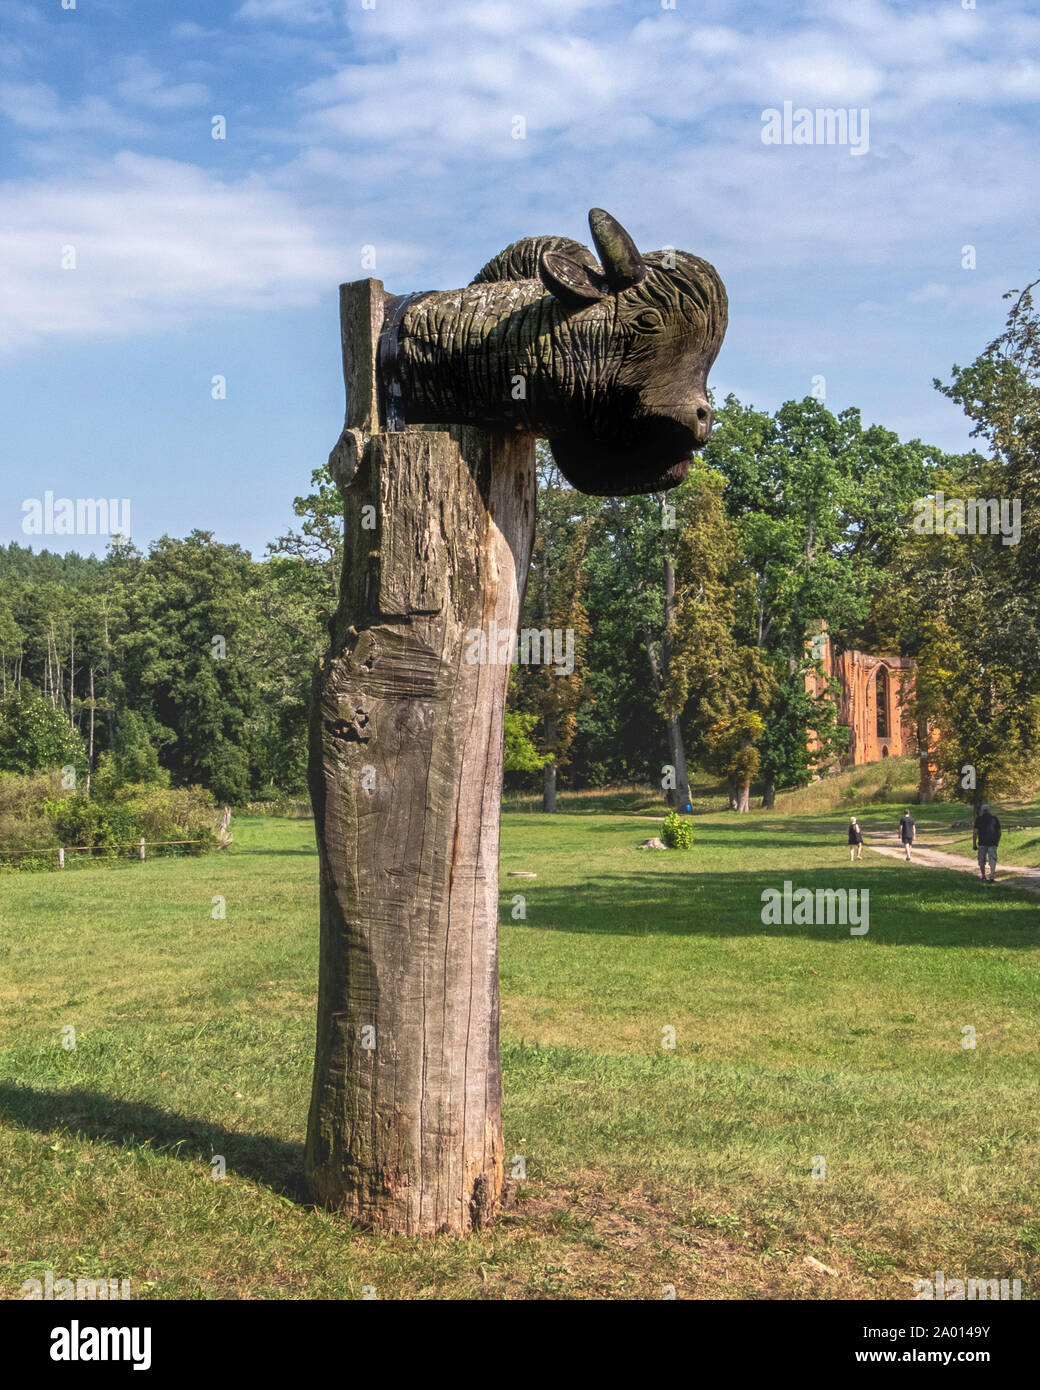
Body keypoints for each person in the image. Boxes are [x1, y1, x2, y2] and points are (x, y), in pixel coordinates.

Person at [972, 802, 1001, 883]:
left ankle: (983, 876)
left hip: (982, 842)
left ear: (982, 810)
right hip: (992, 842)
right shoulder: (994, 819)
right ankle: (991, 875)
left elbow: (975, 833)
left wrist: (974, 844)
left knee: (981, 859)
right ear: (988, 810)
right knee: (992, 859)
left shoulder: (978, 819)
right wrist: (997, 841)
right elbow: (999, 832)